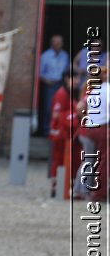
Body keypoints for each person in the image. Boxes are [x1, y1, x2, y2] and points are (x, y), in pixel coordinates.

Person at [48, 67, 81, 199]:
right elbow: (56, 115)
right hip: (60, 135)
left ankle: (69, 186)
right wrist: (74, 115)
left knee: (73, 161)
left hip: (70, 134)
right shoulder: (61, 94)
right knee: (59, 161)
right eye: (76, 77)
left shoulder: (74, 92)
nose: (78, 81)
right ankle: (56, 187)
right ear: (67, 79)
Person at [37, 35, 69, 137]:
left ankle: (59, 129)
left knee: (61, 108)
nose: (59, 45)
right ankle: (47, 130)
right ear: (52, 43)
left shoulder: (65, 55)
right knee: (48, 107)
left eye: (61, 42)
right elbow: (39, 73)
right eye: (57, 42)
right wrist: (47, 80)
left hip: (61, 85)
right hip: (49, 85)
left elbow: (67, 70)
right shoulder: (45, 56)